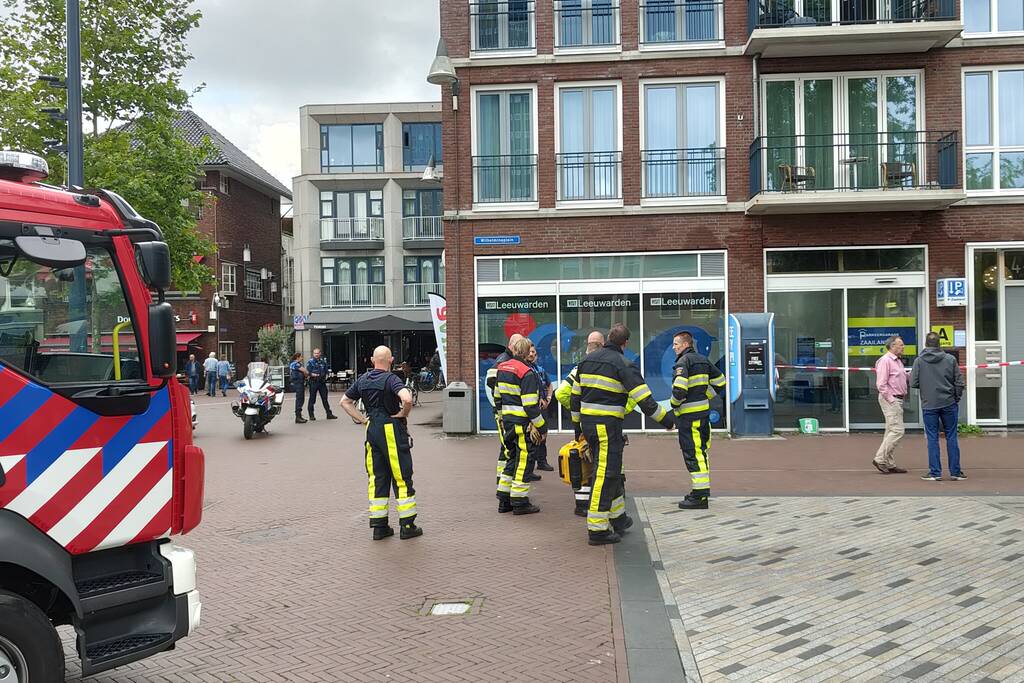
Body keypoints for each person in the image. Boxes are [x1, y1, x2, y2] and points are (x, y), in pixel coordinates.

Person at [572, 324, 675, 546]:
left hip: (589, 426)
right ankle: (597, 529)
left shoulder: (586, 361)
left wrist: (577, 428)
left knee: (614, 471)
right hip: (606, 427)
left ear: (608, 337)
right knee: (605, 474)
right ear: (625, 343)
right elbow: (645, 401)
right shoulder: (624, 364)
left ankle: (618, 517)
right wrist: (667, 421)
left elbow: (574, 397)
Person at [340, 345, 422, 540]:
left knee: (377, 477)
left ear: (372, 360)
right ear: (391, 360)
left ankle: (379, 527)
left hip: (372, 430)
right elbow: (407, 399)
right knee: (401, 476)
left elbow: (344, 401)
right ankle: (407, 526)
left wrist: (362, 420)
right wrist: (403, 414)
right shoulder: (392, 379)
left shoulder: (363, 380)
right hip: (391, 429)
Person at [671, 331, 727, 510]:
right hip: (703, 416)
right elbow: (721, 382)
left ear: (685, 344)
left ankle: (700, 496)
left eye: (676, 344)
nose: (673, 347)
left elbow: (679, 390)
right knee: (701, 453)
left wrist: (674, 404)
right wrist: (704, 396)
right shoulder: (703, 360)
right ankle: (699, 492)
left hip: (689, 418)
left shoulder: (683, 362)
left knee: (693, 455)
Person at [494, 337, 545, 515]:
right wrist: (542, 427)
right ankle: (519, 501)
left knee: (511, 459)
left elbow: (497, 397)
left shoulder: (502, 368)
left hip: (508, 423)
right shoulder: (526, 372)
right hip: (522, 424)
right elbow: (530, 406)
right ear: (526, 352)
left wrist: (502, 417)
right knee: (524, 462)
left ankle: (504, 499)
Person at [911, 332, 966, 482]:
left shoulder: (919, 361)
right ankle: (955, 472)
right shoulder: (950, 359)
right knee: (951, 436)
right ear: (939, 344)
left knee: (932, 438)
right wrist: (956, 398)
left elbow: (913, 382)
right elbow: (959, 382)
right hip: (949, 403)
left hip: (929, 404)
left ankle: (935, 472)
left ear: (926, 344)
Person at [486, 333, 525, 497]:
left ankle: (502, 478)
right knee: (508, 448)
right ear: (511, 346)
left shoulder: (510, 359)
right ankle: (503, 482)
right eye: (519, 344)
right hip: (504, 413)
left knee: (507, 447)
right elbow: (491, 380)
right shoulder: (504, 360)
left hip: (506, 411)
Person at [873, 336, 910, 475]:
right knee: (897, 430)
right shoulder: (885, 361)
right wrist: (891, 400)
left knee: (890, 431)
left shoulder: (898, 361)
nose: (903, 347)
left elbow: (903, 377)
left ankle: (889, 463)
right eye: (901, 344)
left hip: (897, 398)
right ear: (892, 346)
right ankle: (880, 459)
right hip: (891, 399)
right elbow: (881, 384)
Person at [526, 344, 554, 476]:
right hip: (532, 408)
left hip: (542, 408)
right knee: (532, 436)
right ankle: (530, 467)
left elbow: (550, 385)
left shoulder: (540, 370)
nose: (532, 354)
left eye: (534, 353)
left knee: (543, 434)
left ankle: (542, 461)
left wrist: (548, 398)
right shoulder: (526, 369)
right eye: (530, 352)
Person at [306, 348, 337, 420]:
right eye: (315, 353)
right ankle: (311, 415)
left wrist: (327, 375)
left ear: (320, 353)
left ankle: (329, 414)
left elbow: (326, 371)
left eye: (317, 353)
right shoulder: (310, 362)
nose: (316, 355)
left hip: (322, 382)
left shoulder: (323, 362)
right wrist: (312, 374)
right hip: (313, 382)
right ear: (313, 354)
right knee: (312, 399)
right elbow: (308, 372)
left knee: (325, 399)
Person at [289, 352, 309, 424]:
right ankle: (298, 417)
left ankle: (299, 416)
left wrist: (305, 374)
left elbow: (305, 373)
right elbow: (305, 371)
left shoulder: (297, 364)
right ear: (297, 357)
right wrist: (306, 374)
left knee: (301, 399)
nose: (302, 358)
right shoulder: (295, 364)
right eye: (301, 357)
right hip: (298, 383)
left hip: (300, 383)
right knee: (299, 399)